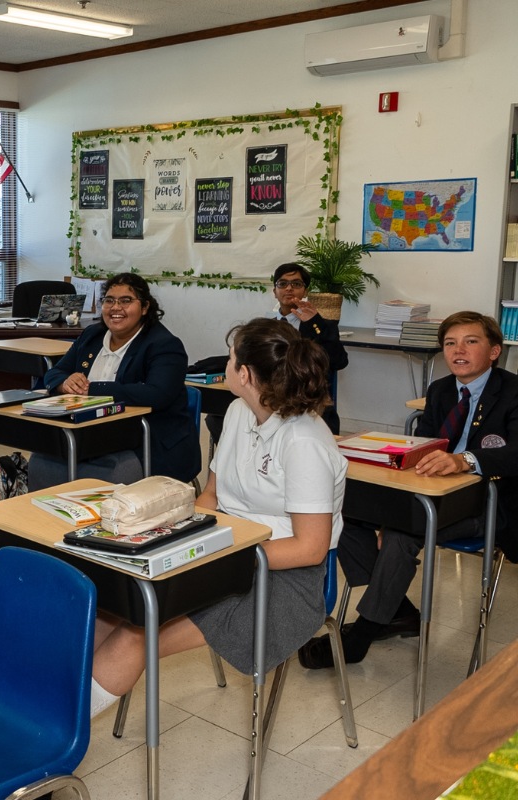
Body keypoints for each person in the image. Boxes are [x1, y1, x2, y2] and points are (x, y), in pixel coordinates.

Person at [89, 318, 345, 718]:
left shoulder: (304, 441)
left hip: (280, 580)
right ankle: (48, 717)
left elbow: (310, 549)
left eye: (229, 359)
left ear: (244, 373)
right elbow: (210, 496)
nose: (225, 366)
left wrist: (218, 556)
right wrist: (171, 540)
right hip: (224, 553)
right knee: (104, 614)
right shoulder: (240, 412)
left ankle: (49, 750)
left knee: (135, 635)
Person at [300, 310, 518, 670]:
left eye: (471, 341)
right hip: (431, 496)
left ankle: (362, 635)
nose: (458, 350)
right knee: (346, 516)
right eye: (450, 343)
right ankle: (398, 610)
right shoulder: (441, 390)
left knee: (403, 533)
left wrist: (466, 460)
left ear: (494, 351)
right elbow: (421, 449)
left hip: (488, 505)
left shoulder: (512, 391)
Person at [32, 273, 199, 489]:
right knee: (41, 461)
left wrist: (93, 390)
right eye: (109, 300)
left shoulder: (164, 345)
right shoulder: (92, 335)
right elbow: (56, 372)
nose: (115, 308)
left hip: (148, 443)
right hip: (90, 435)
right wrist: (64, 383)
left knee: (111, 471)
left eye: (126, 301)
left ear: (145, 307)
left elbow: (157, 394)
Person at [206, 262, 349, 442]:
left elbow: (340, 361)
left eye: (296, 284)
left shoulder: (321, 326)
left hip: (303, 402)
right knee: (217, 417)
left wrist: (315, 322)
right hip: (267, 399)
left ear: (305, 291)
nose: (289, 289)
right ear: (274, 291)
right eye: (283, 284)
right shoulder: (265, 326)